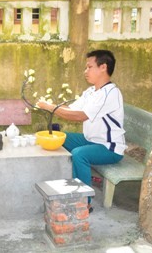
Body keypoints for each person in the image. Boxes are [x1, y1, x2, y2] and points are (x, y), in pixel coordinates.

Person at [37, 50, 127, 212]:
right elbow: (71, 109)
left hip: (110, 148)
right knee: (59, 138)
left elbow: (80, 116)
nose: (85, 71)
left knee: (80, 154)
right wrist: (53, 107)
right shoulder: (92, 91)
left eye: (89, 67)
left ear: (103, 67)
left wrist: (50, 107)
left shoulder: (110, 93)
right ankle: (63, 184)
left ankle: (84, 202)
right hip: (92, 141)